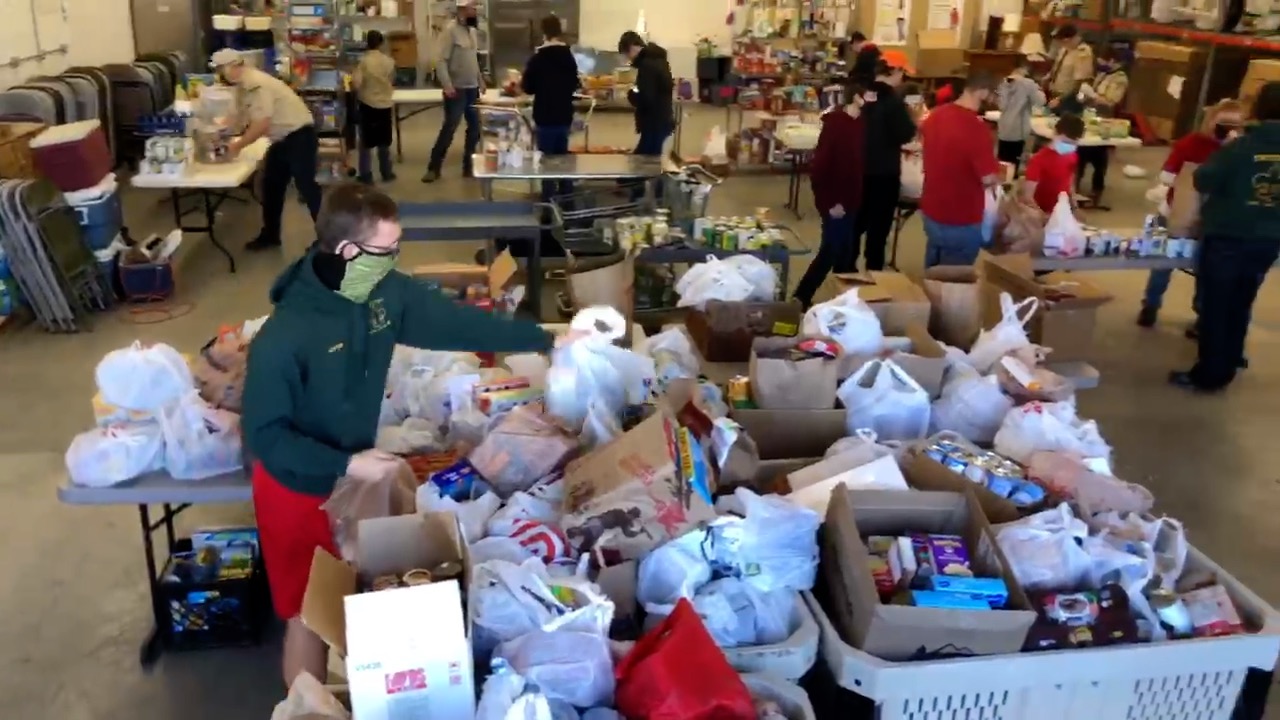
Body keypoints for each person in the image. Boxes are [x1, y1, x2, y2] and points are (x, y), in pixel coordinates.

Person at [242, 183, 565, 686]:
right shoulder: (284, 336)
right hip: (296, 487)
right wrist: (345, 465)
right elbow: (266, 437)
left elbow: (457, 324)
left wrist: (549, 337)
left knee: (361, 595)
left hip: (355, 476)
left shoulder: (382, 292)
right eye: (385, 250)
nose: (394, 260)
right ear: (347, 251)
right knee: (307, 612)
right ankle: (305, 708)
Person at [1168, 82, 1280, 392]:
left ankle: (1209, 375)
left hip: (1229, 235)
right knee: (1242, 300)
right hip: (1269, 239)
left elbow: (1204, 179)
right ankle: (1231, 359)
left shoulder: (1241, 147)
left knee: (1217, 305)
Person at [1138, 99, 1243, 329]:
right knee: (1163, 262)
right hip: (1178, 212)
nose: (1228, 129)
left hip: (1214, 219)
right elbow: (1166, 176)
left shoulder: (1239, 150)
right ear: (1211, 120)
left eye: (1235, 124)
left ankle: (1201, 314)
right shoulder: (1190, 143)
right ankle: (1151, 305)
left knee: (1207, 268)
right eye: (1223, 122)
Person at [212, 49, 323, 251]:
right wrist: (219, 132)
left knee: (307, 189)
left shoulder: (257, 84)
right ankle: (271, 235)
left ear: (233, 66)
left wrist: (237, 146)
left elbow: (261, 124)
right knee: (271, 187)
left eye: (221, 69)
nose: (220, 74)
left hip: (299, 136)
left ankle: (328, 242)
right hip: (282, 139)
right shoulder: (241, 86)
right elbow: (237, 117)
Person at [793, 81, 868, 309]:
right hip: (836, 202)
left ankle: (842, 300)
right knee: (831, 250)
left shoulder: (862, 124)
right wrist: (829, 202)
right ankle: (801, 296)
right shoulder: (835, 125)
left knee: (845, 252)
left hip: (853, 199)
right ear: (857, 96)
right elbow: (820, 169)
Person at [918, 73, 1003, 267]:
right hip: (961, 216)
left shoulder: (935, 115)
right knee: (954, 280)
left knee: (934, 263)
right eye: (993, 95)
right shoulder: (977, 128)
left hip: (931, 208)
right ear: (982, 92)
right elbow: (988, 178)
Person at [853, 54, 917, 270]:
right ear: (895, 71)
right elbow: (905, 133)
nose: (902, 78)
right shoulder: (892, 101)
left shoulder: (861, 92)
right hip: (884, 172)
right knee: (878, 230)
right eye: (902, 73)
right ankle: (873, 274)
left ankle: (845, 269)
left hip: (858, 168)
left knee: (855, 223)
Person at [422, 0, 483, 183]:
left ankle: (469, 167)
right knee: (450, 128)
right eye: (473, 9)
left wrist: (480, 80)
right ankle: (433, 168)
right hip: (457, 90)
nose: (476, 12)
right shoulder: (449, 31)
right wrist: (447, 85)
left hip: (473, 89)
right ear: (463, 10)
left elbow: (473, 58)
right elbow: (440, 60)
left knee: (474, 129)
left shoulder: (472, 31)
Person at [522, 15, 581, 201]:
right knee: (563, 160)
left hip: (545, 117)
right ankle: (567, 200)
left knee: (546, 162)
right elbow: (574, 84)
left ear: (544, 33)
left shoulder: (538, 58)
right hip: (564, 116)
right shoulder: (568, 57)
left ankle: (548, 201)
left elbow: (528, 87)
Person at [1072, 48, 1129, 206]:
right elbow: (1092, 90)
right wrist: (1083, 95)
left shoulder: (1120, 79)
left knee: (1098, 156)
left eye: (1103, 62)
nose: (1100, 65)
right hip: (1088, 116)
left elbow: (1111, 101)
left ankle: (1097, 190)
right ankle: (1074, 186)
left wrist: (1093, 95)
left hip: (1104, 120)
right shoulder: (1102, 74)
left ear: (1112, 61)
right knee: (1081, 152)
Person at [617, 31, 675, 156]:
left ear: (632, 47)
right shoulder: (659, 60)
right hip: (662, 119)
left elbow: (647, 98)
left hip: (653, 122)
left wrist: (631, 94)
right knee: (649, 159)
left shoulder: (647, 66)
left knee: (643, 162)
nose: (628, 59)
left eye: (627, 54)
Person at [352, 30, 396, 185]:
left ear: (366, 43)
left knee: (365, 142)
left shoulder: (363, 62)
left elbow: (356, 83)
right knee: (384, 141)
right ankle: (386, 172)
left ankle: (366, 174)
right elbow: (392, 80)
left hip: (367, 105)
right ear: (381, 43)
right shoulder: (389, 61)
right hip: (385, 105)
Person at [1022, 114, 1084, 214]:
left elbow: (1070, 184)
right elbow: (1028, 197)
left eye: (1072, 143)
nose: (1069, 146)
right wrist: (1043, 216)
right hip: (1041, 212)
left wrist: (1075, 207)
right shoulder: (1038, 160)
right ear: (1055, 133)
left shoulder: (1072, 156)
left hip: (1062, 211)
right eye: (1065, 141)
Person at [995, 62, 1046, 175]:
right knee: (1014, 162)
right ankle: (1011, 180)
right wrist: (1036, 87)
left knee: (1003, 160)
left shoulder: (1003, 84)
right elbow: (1040, 101)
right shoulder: (1028, 84)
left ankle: (1001, 183)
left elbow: (1001, 105)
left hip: (1004, 128)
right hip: (1018, 130)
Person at [1046, 23, 1094, 102]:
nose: (1062, 44)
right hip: (1055, 93)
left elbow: (1080, 82)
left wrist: (1062, 100)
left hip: (1068, 98)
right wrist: (1049, 77)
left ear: (1072, 39)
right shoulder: (1064, 49)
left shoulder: (1083, 53)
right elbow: (1058, 68)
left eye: (1064, 41)